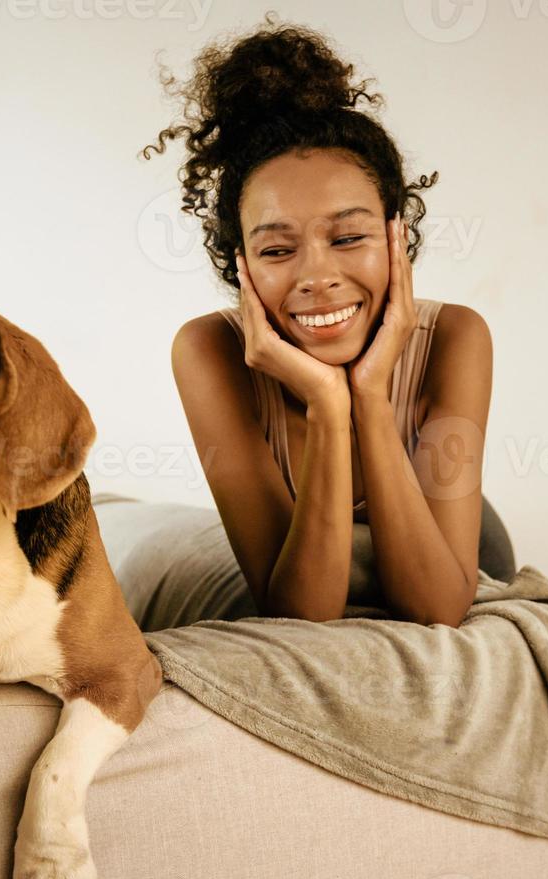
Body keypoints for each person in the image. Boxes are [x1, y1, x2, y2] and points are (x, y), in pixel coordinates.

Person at [149, 20, 515, 627]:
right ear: (240, 263)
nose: (316, 276)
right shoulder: (207, 349)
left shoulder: (456, 337)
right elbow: (298, 613)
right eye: (275, 250)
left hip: (455, 542)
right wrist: (326, 401)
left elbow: (436, 608)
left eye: (348, 237)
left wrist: (369, 395)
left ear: (397, 236)